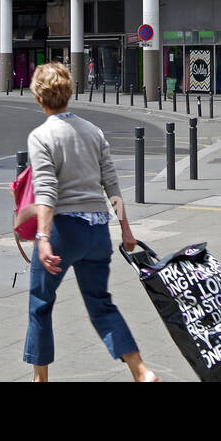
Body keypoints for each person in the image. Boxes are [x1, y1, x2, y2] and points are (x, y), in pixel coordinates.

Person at [23, 61, 158, 383]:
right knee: (101, 302)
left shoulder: (41, 136)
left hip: (63, 231)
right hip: (98, 231)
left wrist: (43, 238)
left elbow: (46, 190)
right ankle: (141, 371)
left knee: (41, 302)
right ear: (69, 93)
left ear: (39, 99)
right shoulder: (92, 130)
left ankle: (40, 380)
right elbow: (111, 182)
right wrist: (126, 229)